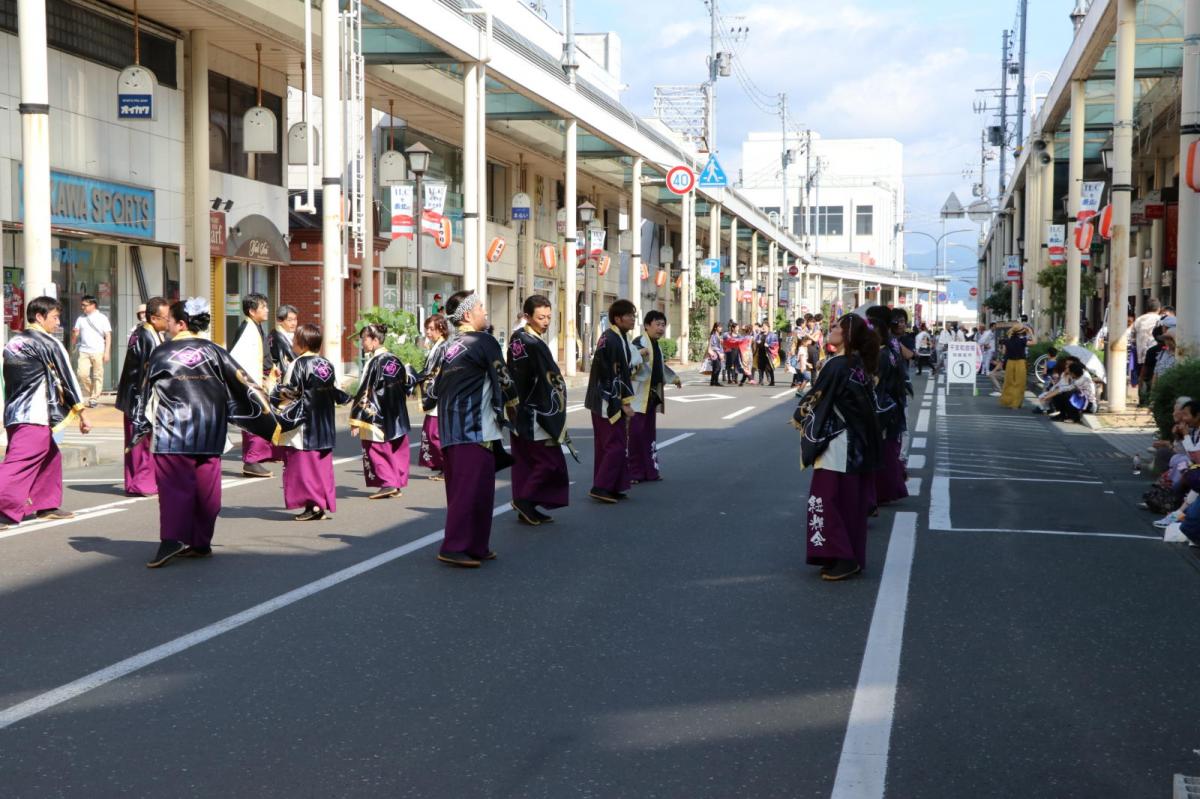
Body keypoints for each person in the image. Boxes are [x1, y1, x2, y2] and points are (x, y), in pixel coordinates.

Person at [134, 298, 280, 568]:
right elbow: (243, 384)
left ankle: (172, 539)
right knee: (207, 490)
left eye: (170, 320)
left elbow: (142, 390)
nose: (167, 325)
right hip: (210, 430)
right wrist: (270, 417)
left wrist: (139, 425)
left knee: (174, 489)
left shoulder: (162, 353)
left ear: (181, 323)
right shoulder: (215, 351)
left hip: (173, 431)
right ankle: (201, 542)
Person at [793, 313, 881, 581]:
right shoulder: (858, 366)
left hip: (838, 442)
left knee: (825, 500)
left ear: (848, 335)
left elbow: (815, 400)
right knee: (847, 503)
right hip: (856, 444)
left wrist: (799, 416)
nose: (829, 330)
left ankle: (842, 557)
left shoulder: (838, 365)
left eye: (835, 327)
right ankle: (844, 555)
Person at [432, 291, 517, 567]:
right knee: (471, 492)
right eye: (481, 307)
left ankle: (476, 545)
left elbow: (432, 388)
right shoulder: (484, 341)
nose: (485, 311)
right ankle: (455, 546)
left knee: (472, 491)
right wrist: (515, 408)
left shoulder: (449, 346)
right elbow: (504, 378)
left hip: (452, 427)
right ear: (468, 314)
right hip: (473, 427)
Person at [0, 296, 91, 529]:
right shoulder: (48, 343)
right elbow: (67, 377)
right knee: (18, 463)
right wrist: (82, 412)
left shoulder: (13, 342)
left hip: (14, 412)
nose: (58, 322)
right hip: (34, 414)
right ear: (39, 317)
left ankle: (45, 504)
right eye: (55, 317)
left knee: (50, 456)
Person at [272, 323, 351, 521]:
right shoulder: (326, 363)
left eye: (295, 339)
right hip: (324, 421)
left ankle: (313, 506)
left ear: (303, 343)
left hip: (304, 425)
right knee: (321, 467)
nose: (292, 342)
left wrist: (273, 391)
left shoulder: (297, 364)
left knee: (303, 467)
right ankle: (320, 503)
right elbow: (335, 391)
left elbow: (288, 393)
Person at [507, 295, 573, 525]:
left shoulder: (524, 339)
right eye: (540, 317)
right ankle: (525, 500)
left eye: (548, 317)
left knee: (527, 462)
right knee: (549, 462)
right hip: (535, 411)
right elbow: (528, 380)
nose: (546, 322)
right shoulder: (527, 341)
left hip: (526, 409)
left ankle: (526, 506)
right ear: (527, 317)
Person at [350, 323, 417, 501]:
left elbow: (365, 390)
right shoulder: (395, 359)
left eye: (364, 338)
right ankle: (395, 483)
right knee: (395, 448)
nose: (362, 342)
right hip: (396, 412)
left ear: (375, 340)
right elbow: (407, 383)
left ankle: (387, 483)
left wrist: (357, 417)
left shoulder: (374, 362)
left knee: (377, 449)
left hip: (377, 413)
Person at [115, 296, 169, 496]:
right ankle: (140, 483)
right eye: (166, 317)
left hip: (139, 395)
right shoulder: (145, 335)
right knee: (140, 442)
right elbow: (147, 371)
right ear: (154, 318)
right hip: (138, 397)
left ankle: (138, 482)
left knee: (143, 441)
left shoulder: (150, 333)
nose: (168, 320)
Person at [585, 299, 637, 503]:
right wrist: (624, 402)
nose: (633, 319)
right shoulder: (612, 339)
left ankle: (613, 485)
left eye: (634, 315)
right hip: (606, 399)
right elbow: (611, 374)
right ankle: (601, 486)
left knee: (608, 445)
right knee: (614, 445)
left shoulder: (617, 337)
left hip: (604, 396)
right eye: (629, 316)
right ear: (617, 318)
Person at [628, 309, 682, 484]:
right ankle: (634, 473)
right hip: (637, 399)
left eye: (663, 325)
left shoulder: (655, 344)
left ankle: (650, 471)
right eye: (657, 324)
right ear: (647, 326)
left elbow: (660, 368)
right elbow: (629, 366)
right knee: (635, 436)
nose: (661, 328)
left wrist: (674, 378)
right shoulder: (638, 343)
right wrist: (639, 355)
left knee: (648, 436)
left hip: (650, 398)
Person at [230, 293, 279, 477]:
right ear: (252, 311)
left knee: (255, 420)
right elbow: (240, 359)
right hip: (251, 384)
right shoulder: (246, 330)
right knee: (256, 420)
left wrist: (271, 370)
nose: (267, 310)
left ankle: (253, 460)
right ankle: (252, 461)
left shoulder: (255, 327)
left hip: (259, 380)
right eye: (263, 307)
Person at [867, 306, 908, 507]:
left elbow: (876, 383)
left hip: (883, 405)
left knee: (882, 451)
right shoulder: (891, 347)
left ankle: (881, 492)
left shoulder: (882, 353)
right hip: (893, 403)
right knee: (890, 449)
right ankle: (892, 486)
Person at [417, 313, 450, 480]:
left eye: (431, 328)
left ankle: (447, 466)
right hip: (434, 391)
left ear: (441, 329)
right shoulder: (436, 346)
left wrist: (416, 377)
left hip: (438, 393)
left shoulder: (443, 347)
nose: (428, 332)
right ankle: (442, 466)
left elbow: (434, 372)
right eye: (427, 329)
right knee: (431, 432)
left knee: (434, 433)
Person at [70, 294, 111, 408]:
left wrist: (107, 352)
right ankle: (93, 391)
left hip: (98, 350)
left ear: (93, 305)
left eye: (85, 305)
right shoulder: (80, 318)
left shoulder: (102, 318)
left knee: (98, 375)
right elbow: (75, 337)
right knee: (82, 374)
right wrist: (74, 335)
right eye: (82, 305)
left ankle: (94, 397)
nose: (82, 307)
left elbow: (108, 335)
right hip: (84, 350)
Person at [999, 324, 1034, 409]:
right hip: (1020, 363)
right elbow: (1034, 342)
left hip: (1010, 363)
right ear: (1021, 332)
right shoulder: (1022, 340)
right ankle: (1016, 403)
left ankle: (1008, 401)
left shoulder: (1006, 341)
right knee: (1019, 383)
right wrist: (1030, 332)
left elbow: (1003, 352)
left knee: (1009, 382)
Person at [268, 304, 299, 378]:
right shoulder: (278, 338)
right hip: (283, 379)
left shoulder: (276, 333)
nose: (293, 323)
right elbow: (294, 359)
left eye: (295, 319)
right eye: (289, 320)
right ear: (279, 321)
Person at [706, 323, 724, 387]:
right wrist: (719, 354)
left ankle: (713, 381)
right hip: (715, 353)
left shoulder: (719, 335)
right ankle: (715, 381)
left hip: (719, 353)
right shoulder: (713, 336)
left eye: (721, 327)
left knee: (716, 368)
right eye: (719, 327)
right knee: (717, 367)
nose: (721, 328)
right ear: (715, 328)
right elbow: (713, 346)